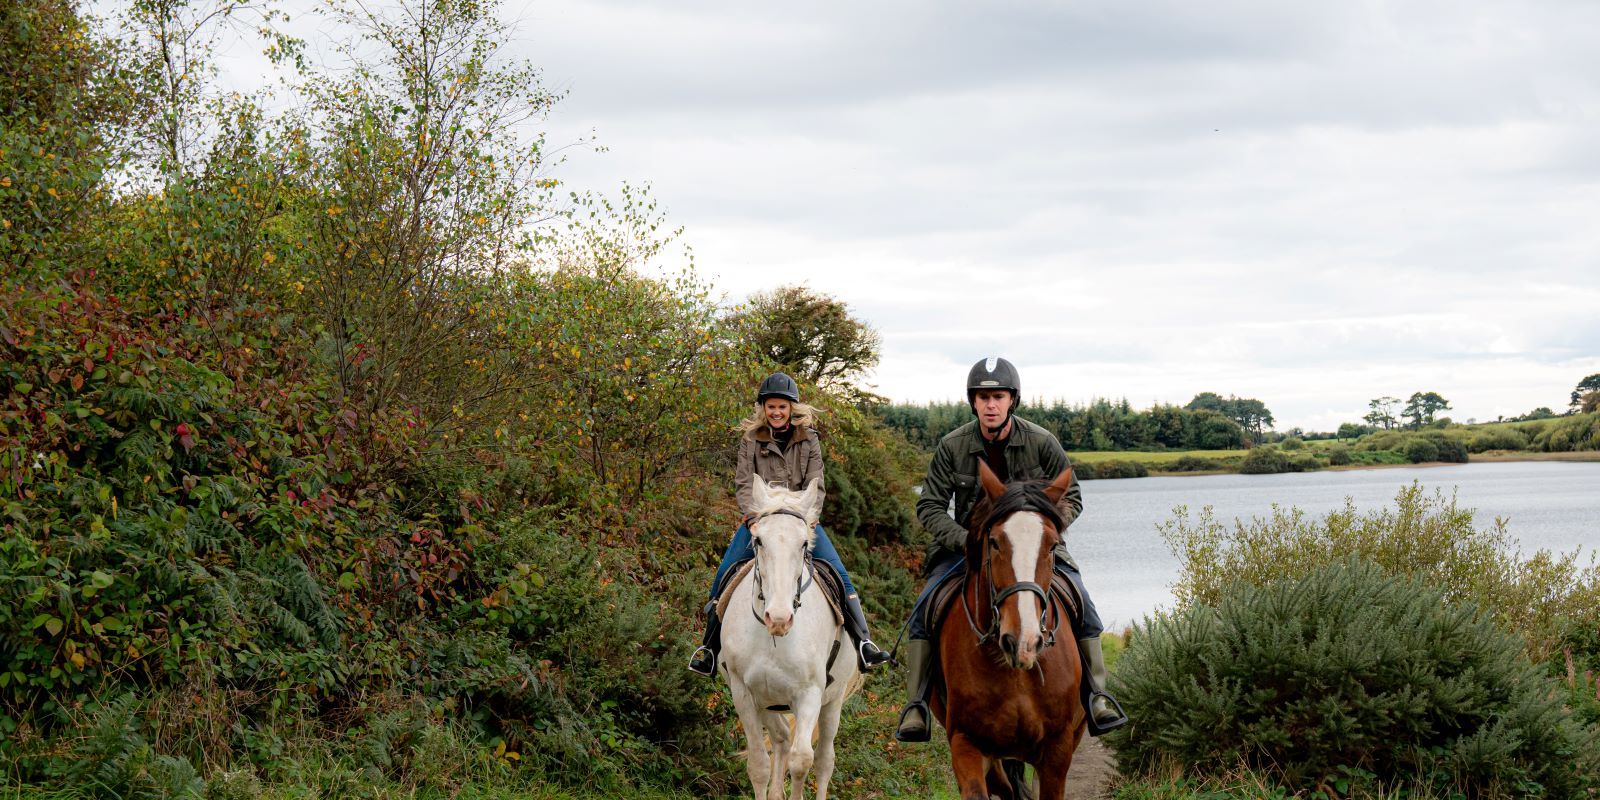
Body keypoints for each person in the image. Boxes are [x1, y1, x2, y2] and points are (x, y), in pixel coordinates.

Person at [894, 357, 1129, 742]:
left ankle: (1099, 695)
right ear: (973, 402)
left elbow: (1071, 496)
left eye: (998, 396)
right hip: (967, 550)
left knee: (1083, 603)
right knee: (925, 608)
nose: (990, 405)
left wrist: (1042, 534)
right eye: (983, 397)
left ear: (1011, 400)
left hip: (1034, 551)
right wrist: (965, 540)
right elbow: (930, 506)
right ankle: (916, 704)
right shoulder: (952, 446)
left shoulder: (1042, 442)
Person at [688, 372, 893, 676]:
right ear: (763, 408)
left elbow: (816, 484)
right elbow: (744, 484)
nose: (776, 412)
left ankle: (864, 643)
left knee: (841, 576)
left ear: (791, 409)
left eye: (782, 407)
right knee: (723, 576)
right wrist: (753, 518)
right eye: (771, 407)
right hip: (762, 522)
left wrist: (808, 521)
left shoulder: (809, 439)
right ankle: (709, 650)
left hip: (800, 522)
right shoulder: (750, 440)